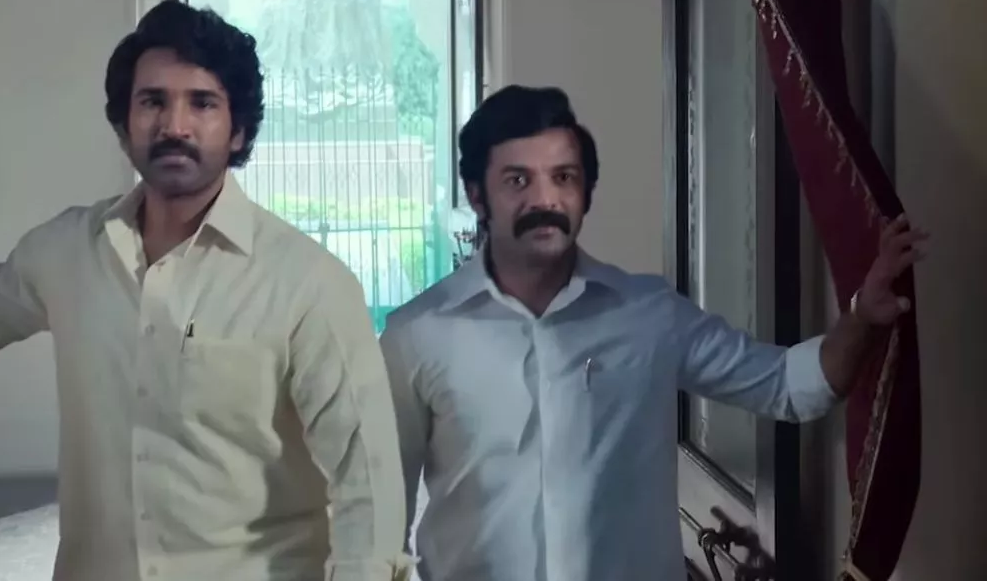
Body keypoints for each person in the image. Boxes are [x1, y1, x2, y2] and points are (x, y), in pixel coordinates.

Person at [0, 0, 415, 581]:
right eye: (152, 102)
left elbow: (367, 482)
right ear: (123, 127)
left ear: (240, 132)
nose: (174, 125)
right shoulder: (68, 251)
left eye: (202, 103)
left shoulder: (307, 283)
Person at [379, 85, 924, 581]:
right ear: (477, 194)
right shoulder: (417, 336)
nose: (546, 200)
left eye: (563, 177)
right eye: (518, 180)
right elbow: (380, 525)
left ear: (587, 191)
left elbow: (788, 385)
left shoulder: (647, 315)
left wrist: (862, 314)